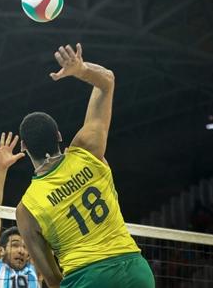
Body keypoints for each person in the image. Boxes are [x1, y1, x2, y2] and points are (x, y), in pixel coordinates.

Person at [15, 44, 155, 288]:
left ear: (24, 147)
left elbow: (52, 278)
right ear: (59, 135)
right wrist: (81, 70)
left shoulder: (26, 209)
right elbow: (107, 81)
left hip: (88, 278)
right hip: (136, 270)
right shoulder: (87, 150)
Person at [0, 132, 40, 288]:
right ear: (1, 251)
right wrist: (1, 170)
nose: (21, 251)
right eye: (15, 245)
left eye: (25, 247)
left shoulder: (36, 272)